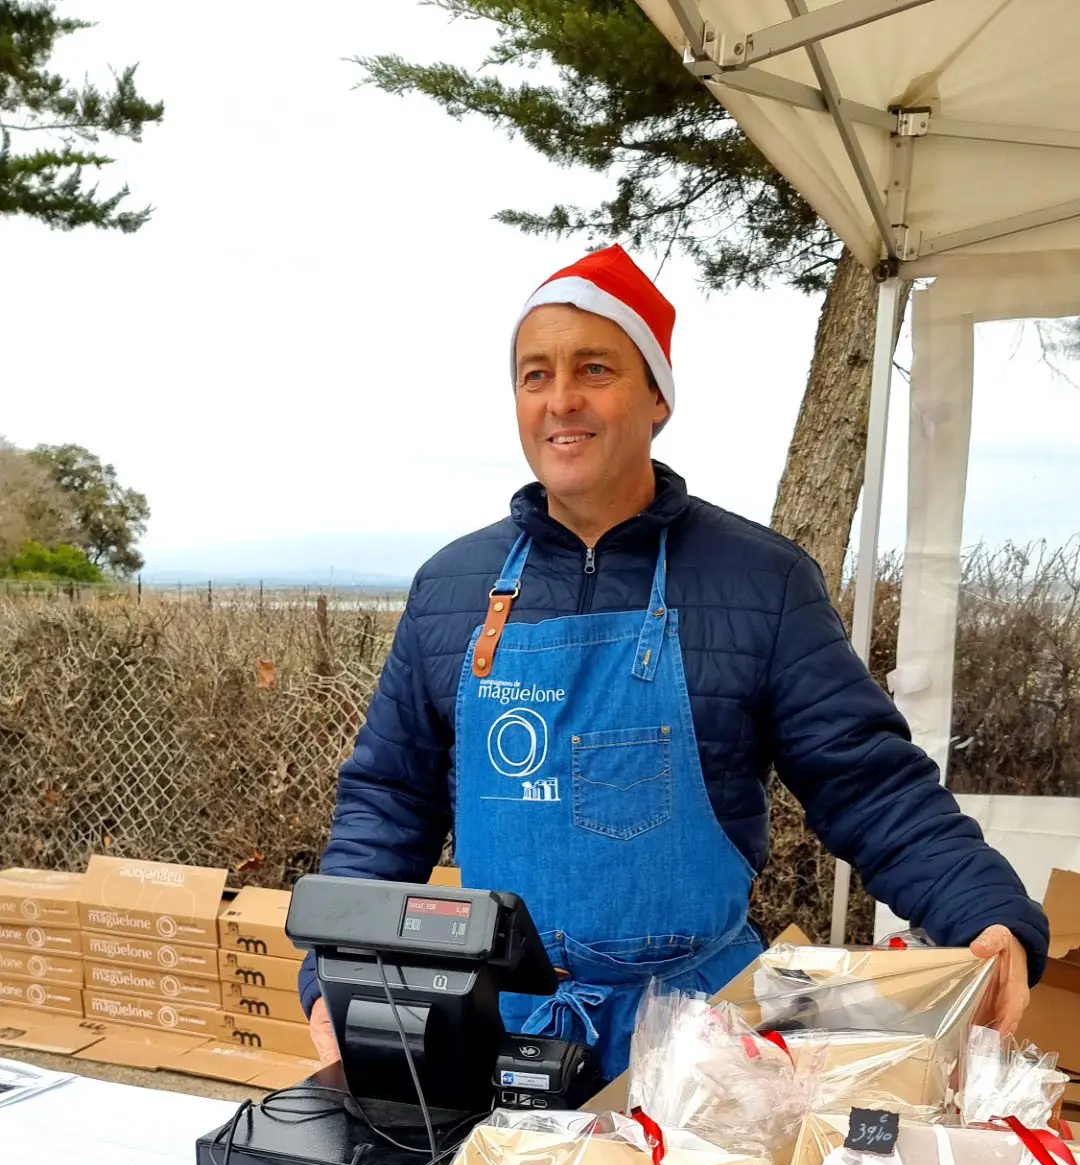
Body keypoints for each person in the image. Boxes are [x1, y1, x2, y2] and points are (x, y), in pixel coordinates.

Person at [299, 245, 1047, 1080]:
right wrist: (338, 972)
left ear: (656, 396)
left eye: (594, 369)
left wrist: (987, 912)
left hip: (698, 1043)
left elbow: (867, 782)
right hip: (496, 1032)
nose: (561, 401)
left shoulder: (760, 583)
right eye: (535, 375)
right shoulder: (452, 589)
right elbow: (390, 801)